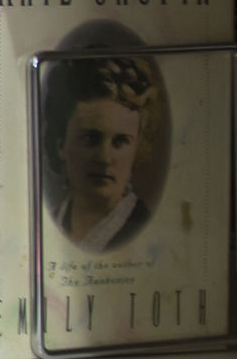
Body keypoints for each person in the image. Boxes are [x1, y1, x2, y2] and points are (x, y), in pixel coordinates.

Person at [44, 54, 157, 251]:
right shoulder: (48, 222)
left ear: (136, 148)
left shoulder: (148, 228)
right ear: (61, 145)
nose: (104, 158)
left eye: (120, 142)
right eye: (90, 139)